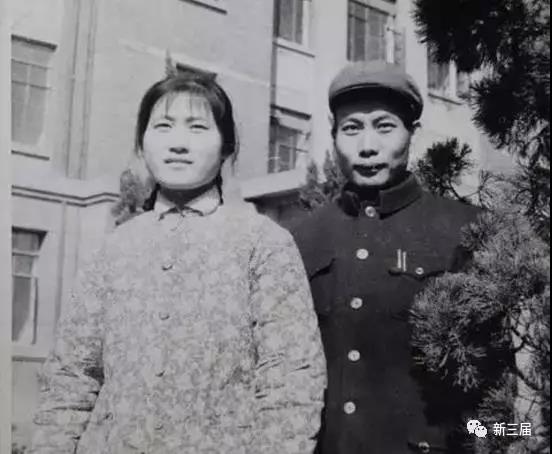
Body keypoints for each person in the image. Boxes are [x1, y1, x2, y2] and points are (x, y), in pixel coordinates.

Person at [30, 72, 326, 454]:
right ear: (142, 144)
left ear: (226, 146)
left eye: (198, 127)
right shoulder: (113, 250)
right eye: (163, 126)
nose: (178, 144)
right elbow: (70, 378)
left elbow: (292, 382)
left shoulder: (264, 244)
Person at [290, 61, 481, 453]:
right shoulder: (299, 238)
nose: (367, 146)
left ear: (413, 133)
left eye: (384, 126)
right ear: (333, 134)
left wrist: (507, 438)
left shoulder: (467, 229)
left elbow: (503, 406)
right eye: (351, 128)